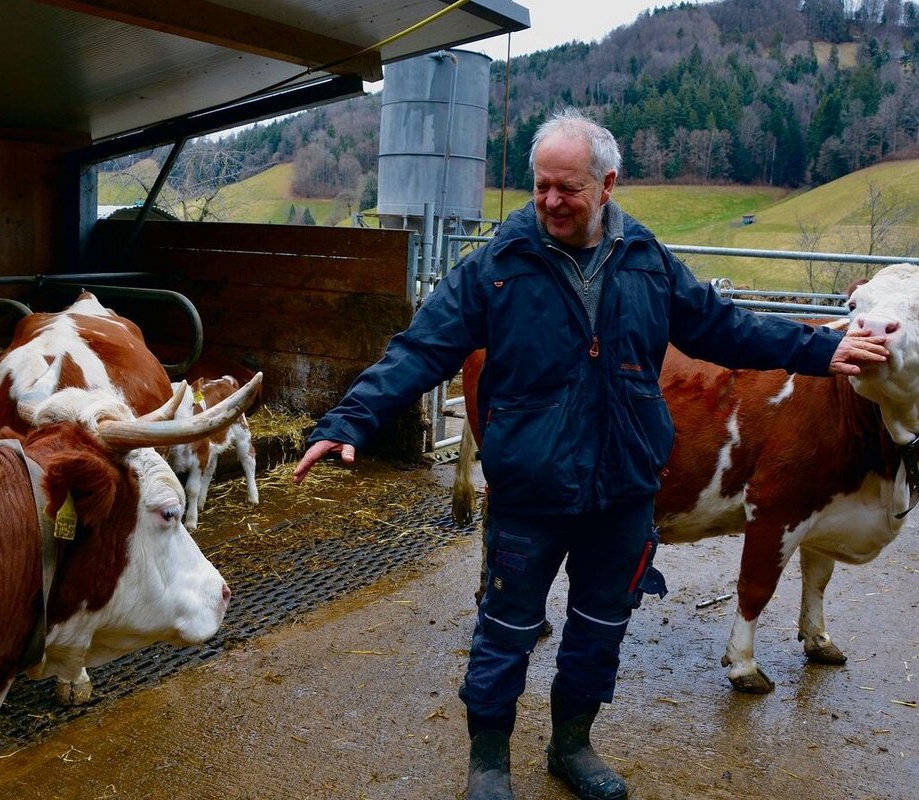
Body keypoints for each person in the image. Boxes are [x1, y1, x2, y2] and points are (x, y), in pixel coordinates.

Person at [292, 107, 888, 800]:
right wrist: (351, 420)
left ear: (607, 183)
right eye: (541, 185)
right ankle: (489, 761)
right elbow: (422, 347)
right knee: (507, 630)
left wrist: (821, 349)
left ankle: (571, 745)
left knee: (600, 630)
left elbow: (726, 329)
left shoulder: (646, 260)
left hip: (624, 488)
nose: (550, 201)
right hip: (531, 489)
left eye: (566, 188)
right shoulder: (498, 267)